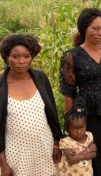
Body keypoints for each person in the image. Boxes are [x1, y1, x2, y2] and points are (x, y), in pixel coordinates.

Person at [59, 8, 101, 176]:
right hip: (87, 118)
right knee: (90, 162)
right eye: (95, 28)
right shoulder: (72, 56)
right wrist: (70, 123)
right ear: (84, 28)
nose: (100, 33)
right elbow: (69, 93)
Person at [0, 34, 62, 175]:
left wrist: (56, 143)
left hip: (44, 148)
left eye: (26, 56)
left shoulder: (40, 78)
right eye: (15, 57)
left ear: (32, 56)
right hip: (16, 154)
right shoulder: (1, 85)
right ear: (6, 57)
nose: (21, 61)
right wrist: (3, 164)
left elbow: (52, 113)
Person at [59, 98, 97, 176]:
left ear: (86, 125)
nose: (79, 131)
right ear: (68, 129)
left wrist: (79, 157)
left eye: (81, 128)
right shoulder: (65, 142)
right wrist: (89, 150)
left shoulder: (89, 136)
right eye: (74, 129)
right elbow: (71, 159)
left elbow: (94, 154)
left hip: (87, 173)